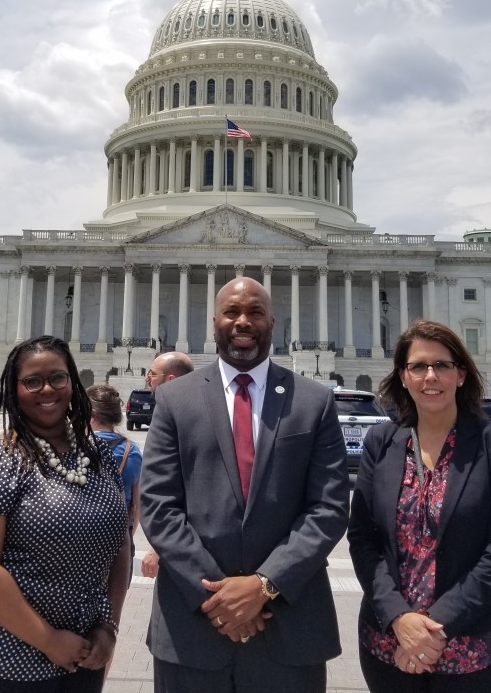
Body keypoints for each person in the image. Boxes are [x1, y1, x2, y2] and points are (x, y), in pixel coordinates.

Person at [139, 277, 349, 693]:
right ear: (214, 320)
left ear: (273, 322)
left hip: (288, 627)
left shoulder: (313, 401)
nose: (243, 321)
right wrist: (219, 599)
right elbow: (159, 506)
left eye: (254, 312)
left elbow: (328, 508)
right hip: (193, 627)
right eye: (232, 312)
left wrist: (264, 585)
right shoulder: (174, 400)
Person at [348, 320, 491, 692]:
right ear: (403, 376)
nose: (430, 376)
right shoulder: (382, 442)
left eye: (442, 365)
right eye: (418, 366)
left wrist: (432, 628)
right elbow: (363, 539)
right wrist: (399, 618)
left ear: (460, 374)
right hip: (388, 645)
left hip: (470, 648)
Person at [0, 336, 131, 692]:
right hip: (3, 658)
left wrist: (109, 626)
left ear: (73, 383)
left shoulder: (96, 457)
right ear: (14, 391)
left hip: (83, 653)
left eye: (58, 378)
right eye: (32, 381)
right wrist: (47, 639)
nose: (47, 389)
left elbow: (120, 543)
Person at [140, 351, 195, 579]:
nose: (146, 379)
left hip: (187, 555)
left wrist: (160, 547)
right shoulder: (181, 411)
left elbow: (172, 488)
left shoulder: (186, 417)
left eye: (151, 374)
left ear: (170, 380)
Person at [87, 384, 143, 568]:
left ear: (92, 415)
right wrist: (128, 535)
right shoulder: (132, 450)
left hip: (80, 537)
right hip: (119, 537)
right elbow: (136, 504)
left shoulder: (75, 446)